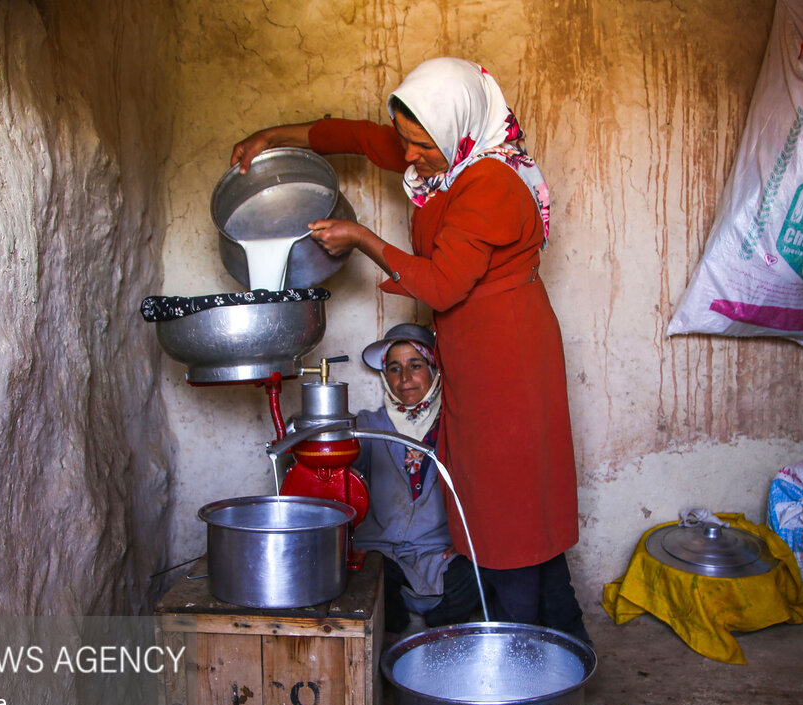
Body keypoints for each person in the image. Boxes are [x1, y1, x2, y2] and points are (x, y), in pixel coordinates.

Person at [231, 57, 590, 645]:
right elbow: (357, 137)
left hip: (509, 356)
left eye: (421, 145)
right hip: (471, 352)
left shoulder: (491, 185)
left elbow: (442, 285)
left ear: (459, 131)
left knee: (510, 508)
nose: (408, 156)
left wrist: (361, 238)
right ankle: (568, 639)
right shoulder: (444, 158)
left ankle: (525, 654)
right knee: (501, 503)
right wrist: (276, 136)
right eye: (406, 140)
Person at [351, 323, 482, 634]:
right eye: (394, 368)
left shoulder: (458, 424)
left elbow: (485, 492)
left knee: (480, 576)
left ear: (434, 369)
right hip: (381, 552)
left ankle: (428, 631)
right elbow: (342, 458)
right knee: (368, 584)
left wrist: (467, 541)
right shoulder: (369, 425)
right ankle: (402, 630)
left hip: (439, 553)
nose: (404, 378)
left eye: (416, 365)